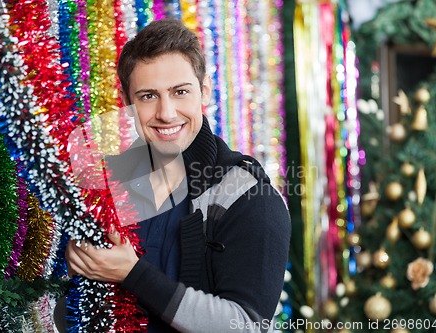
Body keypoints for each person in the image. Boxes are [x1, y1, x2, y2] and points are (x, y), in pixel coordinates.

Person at [59, 18, 291, 333]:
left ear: (204, 91)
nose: (166, 113)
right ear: (127, 101)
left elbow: (245, 326)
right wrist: (77, 269)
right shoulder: (106, 183)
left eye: (180, 92)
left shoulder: (249, 196)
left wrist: (133, 274)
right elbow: (66, 312)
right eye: (148, 96)